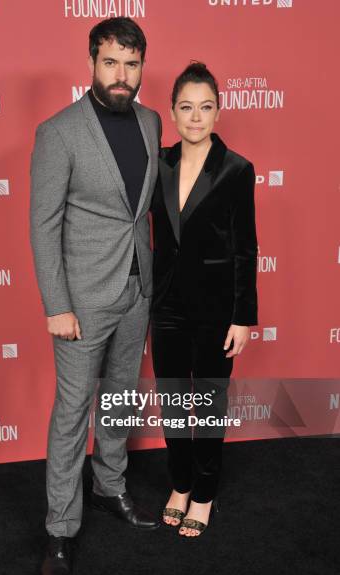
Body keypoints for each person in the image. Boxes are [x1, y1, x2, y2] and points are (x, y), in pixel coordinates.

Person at [30, 17, 161, 575]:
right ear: (91, 63)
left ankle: (111, 488)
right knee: (72, 413)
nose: (121, 75)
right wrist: (57, 304)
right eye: (111, 63)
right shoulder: (59, 131)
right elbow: (43, 224)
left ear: (141, 69)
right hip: (80, 302)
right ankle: (60, 526)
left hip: (136, 290)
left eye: (131, 65)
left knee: (123, 397)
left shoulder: (153, 122)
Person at [151, 62, 258, 538]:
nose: (196, 117)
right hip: (167, 304)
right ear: (172, 112)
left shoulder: (236, 169)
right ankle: (179, 483)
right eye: (186, 107)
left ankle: (206, 492)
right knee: (173, 400)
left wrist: (243, 317)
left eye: (206, 107)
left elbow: (245, 247)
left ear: (219, 111)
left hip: (216, 310)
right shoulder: (159, 164)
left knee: (209, 402)